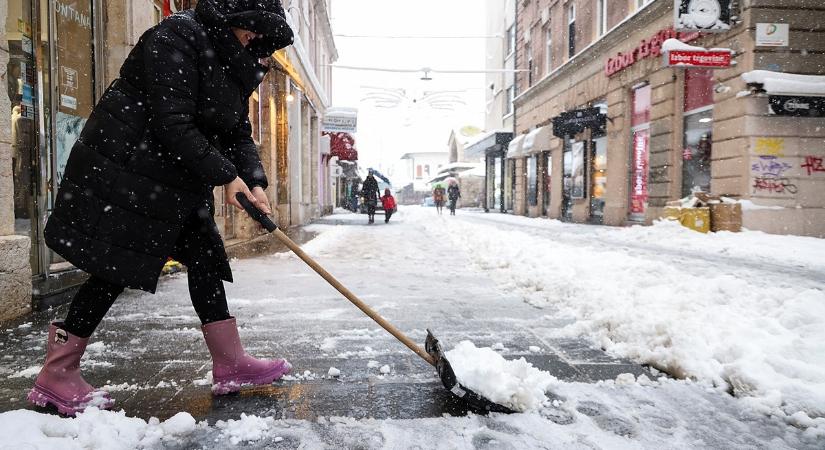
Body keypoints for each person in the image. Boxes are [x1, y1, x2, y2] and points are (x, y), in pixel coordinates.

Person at [28, 0, 294, 417]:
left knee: (206, 258)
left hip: (178, 181)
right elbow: (174, 123)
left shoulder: (232, 62)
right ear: (234, 20)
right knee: (114, 270)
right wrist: (225, 177)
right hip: (131, 175)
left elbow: (237, 130)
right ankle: (57, 373)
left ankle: (230, 363)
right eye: (252, 30)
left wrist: (253, 180)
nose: (254, 41)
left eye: (261, 36)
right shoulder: (176, 35)